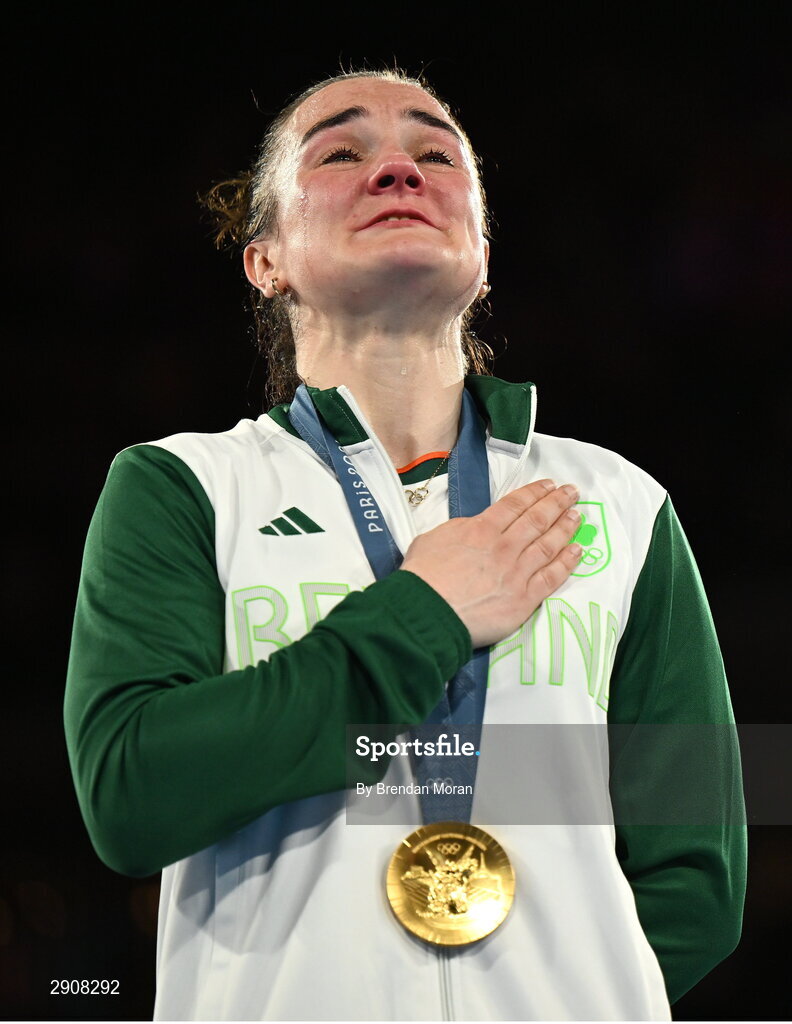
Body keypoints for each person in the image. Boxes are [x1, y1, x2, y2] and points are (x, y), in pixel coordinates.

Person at [64, 68, 746, 1021]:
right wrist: (422, 615)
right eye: (342, 152)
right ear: (266, 260)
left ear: (483, 247)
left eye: (435, 154)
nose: (397, 170)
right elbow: (132, 791)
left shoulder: (620, 504)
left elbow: (696, 881)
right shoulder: (184, 487)